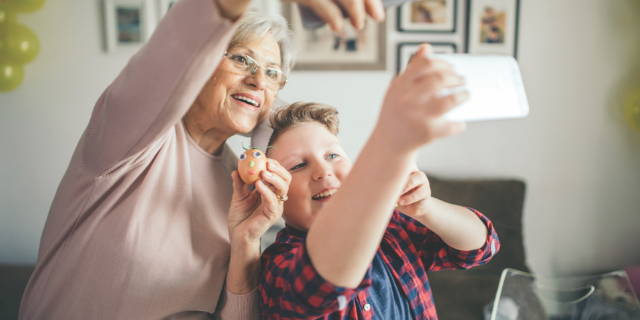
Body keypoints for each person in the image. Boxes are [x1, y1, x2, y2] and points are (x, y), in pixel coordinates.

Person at [18, 0, 385, 319]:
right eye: (242, 59)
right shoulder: (128, 137)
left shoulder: (241, 181)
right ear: (201, 62)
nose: (258, 81)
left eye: (273, 73)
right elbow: (172, 55)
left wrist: (246, 242)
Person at [258, 46, 500, 319]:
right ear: (274, 189)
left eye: (333, 155)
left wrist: (425, 208)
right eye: (299, 165)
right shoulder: (278, 264)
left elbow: (482, 247)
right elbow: (318, 290)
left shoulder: (393, 227)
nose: (323, 171)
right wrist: (393, 143)